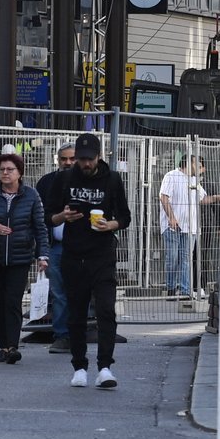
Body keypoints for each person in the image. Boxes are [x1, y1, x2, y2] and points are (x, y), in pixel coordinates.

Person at [43, 133, 131, 390]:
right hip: (73, 254)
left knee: (105, 310)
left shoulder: (112, 179)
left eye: (89, 159)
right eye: (80, 159)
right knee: (76, 313)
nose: (84, 164)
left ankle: (105, 367)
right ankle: (79, 366)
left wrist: (110, 225)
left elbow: (125, 217)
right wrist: (63, 216)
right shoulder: (64, 178)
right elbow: (49, 216)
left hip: (102, 254)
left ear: (99, 156)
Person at [0, 152, 50, 364]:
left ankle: (13, 346)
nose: (5, 173)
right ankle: (3, 346)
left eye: (10, 169)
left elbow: (40, 227)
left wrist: (42, 255)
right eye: (2, 170)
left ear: (19, 173)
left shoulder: (31, 195)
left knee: (13, 302)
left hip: (20, 257)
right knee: (0, 300)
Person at [158, 153, 220, 297]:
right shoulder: (171, 175)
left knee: (186, 259)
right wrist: (171, 218)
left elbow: (203, 199)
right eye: (197, 165)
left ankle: (185, 291)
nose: (200, 169)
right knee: (173, 257)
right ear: (188, 163)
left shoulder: (194, 181)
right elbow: (164, 197)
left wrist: (217, 197)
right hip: (172, 226)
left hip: (191, 227)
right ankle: (170, 288)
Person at [35, 143, 77, 352]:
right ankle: (62, 336)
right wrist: (41, 250)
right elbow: (38, 217)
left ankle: (77, 333)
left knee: (79, 291)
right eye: (64, 159)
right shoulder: (46, 183)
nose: (68, 163)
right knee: (59, 293)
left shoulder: (89, 182)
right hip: (55, 246)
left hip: (80, 247)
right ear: (58, 160)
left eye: (72, 158)